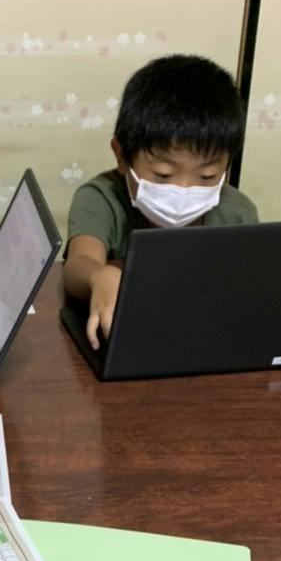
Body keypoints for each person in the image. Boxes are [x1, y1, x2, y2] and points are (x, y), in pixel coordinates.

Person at [63, 53, 259, 348]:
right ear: (121, 155)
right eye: (163, 175)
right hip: (127, 338)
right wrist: (99, 276)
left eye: (207, 176)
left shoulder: (237, 212)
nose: (183, 189)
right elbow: (77, 264)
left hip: (202, 340)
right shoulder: (102, 198)